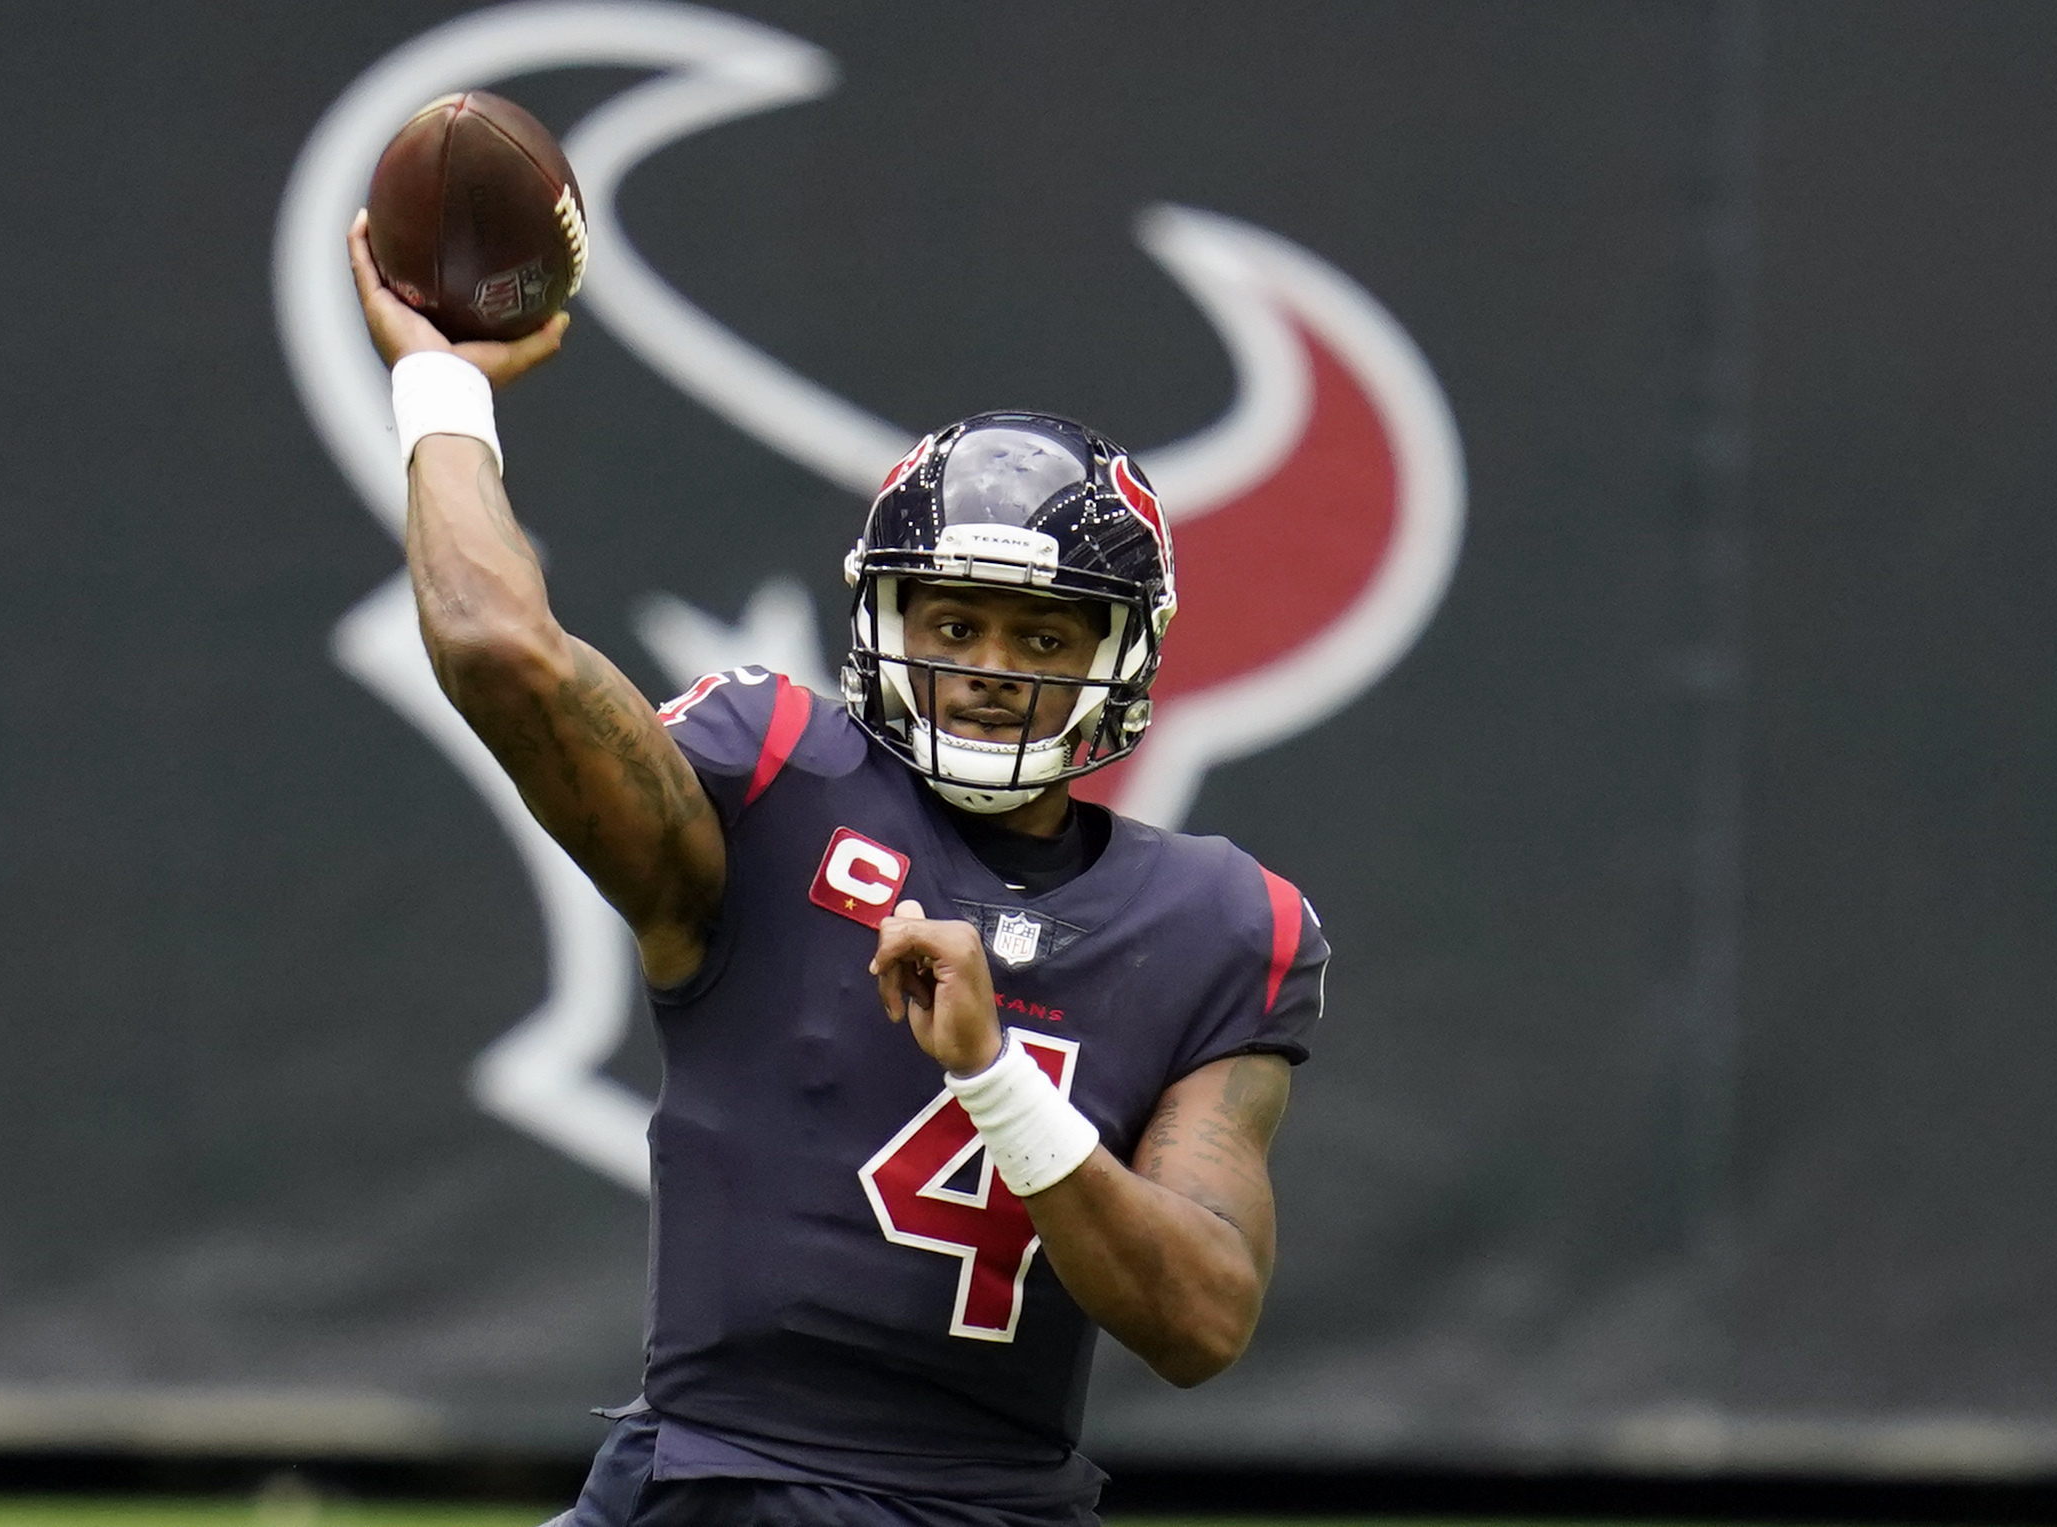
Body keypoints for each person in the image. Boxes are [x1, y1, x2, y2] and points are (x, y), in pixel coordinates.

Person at [346, 212, 1328, 1527]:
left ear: (1120, 661)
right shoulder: (772, 782)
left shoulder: (1220, 921)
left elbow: (1200, 1319)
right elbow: (496, 650)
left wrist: (995, 1080)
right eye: (954, 620)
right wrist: (441, 382)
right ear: (882, 621)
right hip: (703, 1482)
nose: (987, 666)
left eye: (1039, 634)